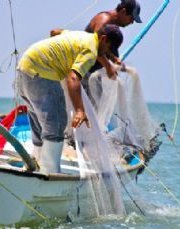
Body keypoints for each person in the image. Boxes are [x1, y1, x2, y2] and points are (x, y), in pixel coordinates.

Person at [16, 24, 123, 173]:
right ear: (103, 39)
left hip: (24, 68)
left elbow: (55, 31)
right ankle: (51, 172)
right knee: (57, 124)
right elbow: (73, 78)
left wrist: (54, 54)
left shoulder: (79, 36)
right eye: (108, 50)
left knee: (38, 121)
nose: (105, 54)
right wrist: (80, 110)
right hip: (42, 74)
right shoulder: (90, 51)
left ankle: (34, 163)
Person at [51, 0, 142, 81]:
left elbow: (104, 48)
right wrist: (109, 67)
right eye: (131, 18)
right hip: (80, 69)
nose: (132, 22)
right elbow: (96, 47)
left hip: (90, 73)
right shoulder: (105, 21)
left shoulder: (113, 26)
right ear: (123, 12)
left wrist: (114, 59)